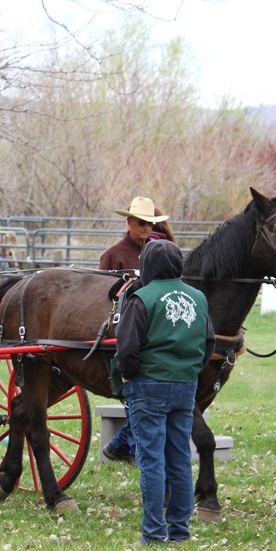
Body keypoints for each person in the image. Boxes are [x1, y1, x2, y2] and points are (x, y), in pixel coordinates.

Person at [115, 239, 215, 545]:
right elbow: (209, 342)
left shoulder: (141, 298)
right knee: (180, 458)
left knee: (151, 460)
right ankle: (180, 531)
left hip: (148, 386)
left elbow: (127, 347)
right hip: (185, 388)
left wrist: (128, 375)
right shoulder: (198, 297)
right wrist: (189, 370)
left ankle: (154, 533)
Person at [100, 196, 171, 465]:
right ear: (129, 222)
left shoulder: (159, 249)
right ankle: (127, 445)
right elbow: (102, 296)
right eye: (141, 223)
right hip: (125, 331)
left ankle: (123, 444)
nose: (145, 228)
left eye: (150, 223)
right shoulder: (114, 255)